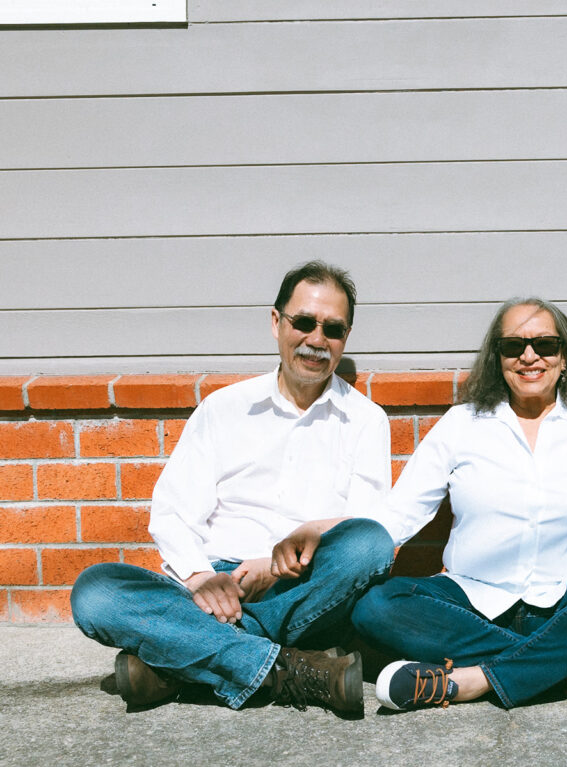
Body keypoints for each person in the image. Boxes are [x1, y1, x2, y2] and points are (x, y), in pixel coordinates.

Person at [273, 297, 567, 712]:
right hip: (469, 598)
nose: (529, 356)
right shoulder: (461, 425)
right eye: (513, 346)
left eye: (544, 345)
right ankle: (566, 670)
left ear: (564, 358)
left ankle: (470, 680)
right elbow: (400, 513)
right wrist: (329, 531)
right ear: (497, 357)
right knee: (377, 606)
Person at [71, 260, 394, 714]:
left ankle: (175, 662)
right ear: (276, 322)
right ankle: (289, 669)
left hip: (299, 588)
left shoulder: (365, 420)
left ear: (346, 337)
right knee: (95, 592)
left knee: (370, 544)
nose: (317, 340)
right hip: (213, 582)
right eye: (303, 322)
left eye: (333, 329)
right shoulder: (224, 409)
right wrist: (203, 579)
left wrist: (276, 564)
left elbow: (367, 521)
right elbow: (172, 512)